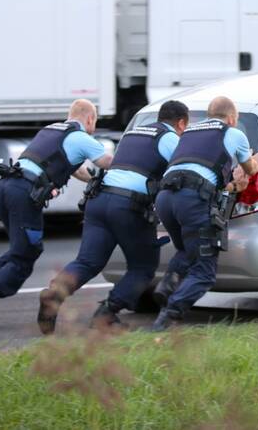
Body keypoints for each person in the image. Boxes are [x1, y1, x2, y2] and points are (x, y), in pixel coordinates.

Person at [36, 100, 190, 334]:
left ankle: (53, 296)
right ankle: (107, 313)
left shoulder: (133, 134)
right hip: (128, 205)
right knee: (143, 267)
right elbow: (185, 171)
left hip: (98, 200)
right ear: (181, 123)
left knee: (88, 261)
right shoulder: (170, 138)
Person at [0, 99, 111, 329]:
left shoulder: (52, 130)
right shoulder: (80, 137)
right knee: (26, 254)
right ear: (90, 119)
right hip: (23, 193)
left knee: (19, 247)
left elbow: (77, 170)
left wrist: (93, 180)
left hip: (4, 187)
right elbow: (107, 161)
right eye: (95, 121)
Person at [150, 96, 258, 331]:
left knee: (187, 249)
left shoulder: (189, 132)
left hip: (165, 198)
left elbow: (203, 170)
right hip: (192, 200)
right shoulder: (234, 133)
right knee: (205, 272)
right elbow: (249, 169)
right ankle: (169, 315)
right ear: (232, 118)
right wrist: (256, 161)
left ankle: (166, 287)